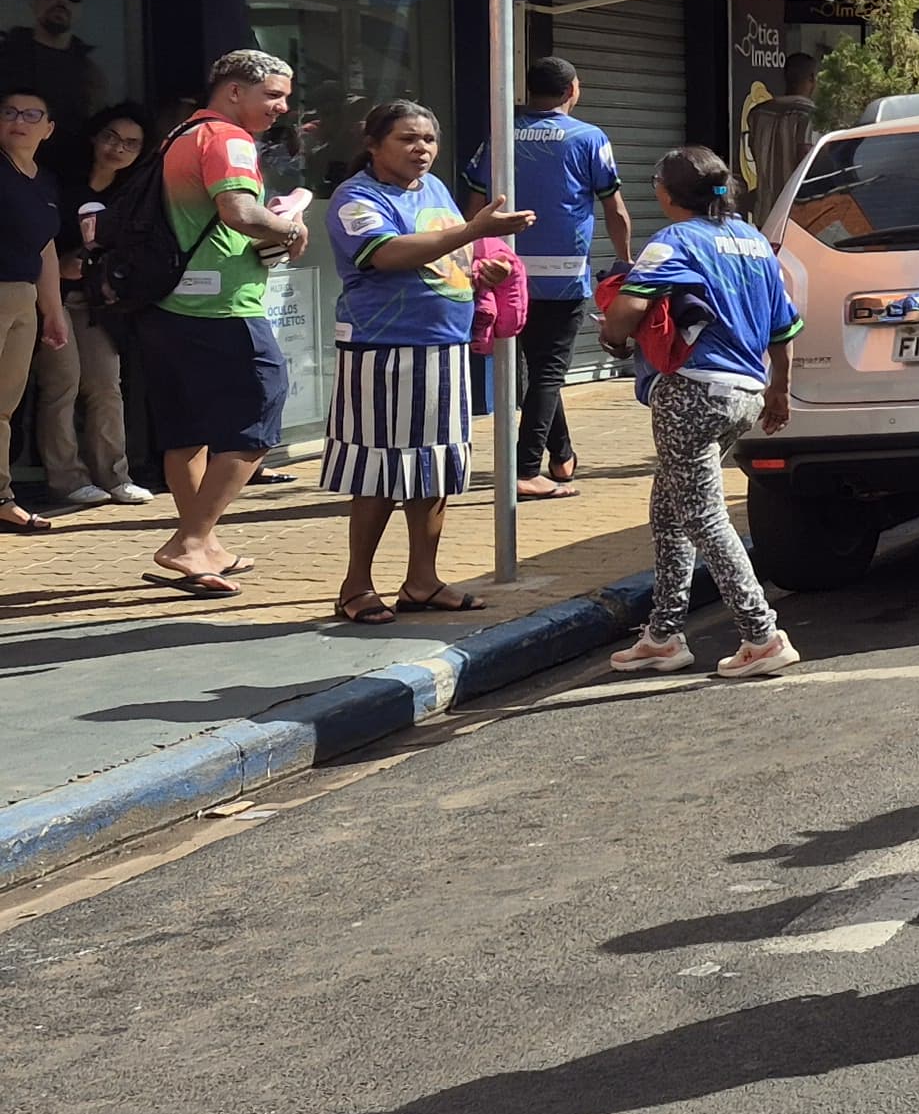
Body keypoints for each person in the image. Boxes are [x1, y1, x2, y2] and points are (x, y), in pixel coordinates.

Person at [597, 148, 805, 679]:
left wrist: (613, 336)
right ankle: (663, 635)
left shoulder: (674, 241)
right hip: (746, 391)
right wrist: (780, 391)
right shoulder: (753, 241)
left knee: (704, 518)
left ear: (665, 192)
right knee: (670, 510)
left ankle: (761, 635)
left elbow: (626, 311)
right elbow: (783, 326)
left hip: (692, 393)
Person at [321, 102, 531, 623]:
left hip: (445, 347)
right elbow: (386, 253)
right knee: (377, 469)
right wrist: (473, 232)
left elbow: (444, 259)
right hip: (383, 350)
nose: (422, 149)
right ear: (373, 144)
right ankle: (355, 585)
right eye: (407, 139)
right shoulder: (356, 198)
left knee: (434, 466)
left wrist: (479, 273)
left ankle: (422, 581)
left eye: (429, 140)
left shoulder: (433, 188)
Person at [140, 51, 307, 598]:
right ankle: (190, 542)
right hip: (223, 308)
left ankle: (203, 545)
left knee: (185, 432)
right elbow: (239, 212)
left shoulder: (181, 134)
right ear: (234, 91)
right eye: (273, 95)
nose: (282, 108)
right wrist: (288, 229)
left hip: (168, 306)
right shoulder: (229, 138)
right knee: (258, 417)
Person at [469, 56, 632, 501]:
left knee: (541, 368)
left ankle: (562, 456)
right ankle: (525, 469)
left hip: (507, 274)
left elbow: (475, 205)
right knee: (548, 372)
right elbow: (615, 209)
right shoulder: (588, 138)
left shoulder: (500, 136)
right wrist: (624, 262)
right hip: (563, 278)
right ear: (572, 90)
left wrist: (472, 257)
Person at [37, 103, 148, 508]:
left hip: (101, 303)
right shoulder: (59, 185)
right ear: (93, 137)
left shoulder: (133, 195)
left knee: (106, 386)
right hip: (54, 298)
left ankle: (115, 476)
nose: (118, 148)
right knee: (61, 385)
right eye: (111, 137)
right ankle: (66, 479)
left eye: (131, 144)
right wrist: (61, 266)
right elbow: (38, 239)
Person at [0, 91, 65, 534]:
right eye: (8, 112)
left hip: (23, 296)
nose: (18, 121)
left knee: (4, 406)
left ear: (48, 128)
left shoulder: (44, 182)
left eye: (30, 115)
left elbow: (46, 248)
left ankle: (2, 497)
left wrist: (53, 311)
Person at [0, 0, 110, 136]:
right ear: (34, 0)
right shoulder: (5, 58)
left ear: (80, 8)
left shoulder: (90, 76)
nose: (62, 0)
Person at [744, 52, 819, 202]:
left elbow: (753, 151)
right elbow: (806, 158)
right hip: (796, 207)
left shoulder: (757, 114)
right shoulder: (811, 115)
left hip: (764, 207)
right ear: (812, 77)